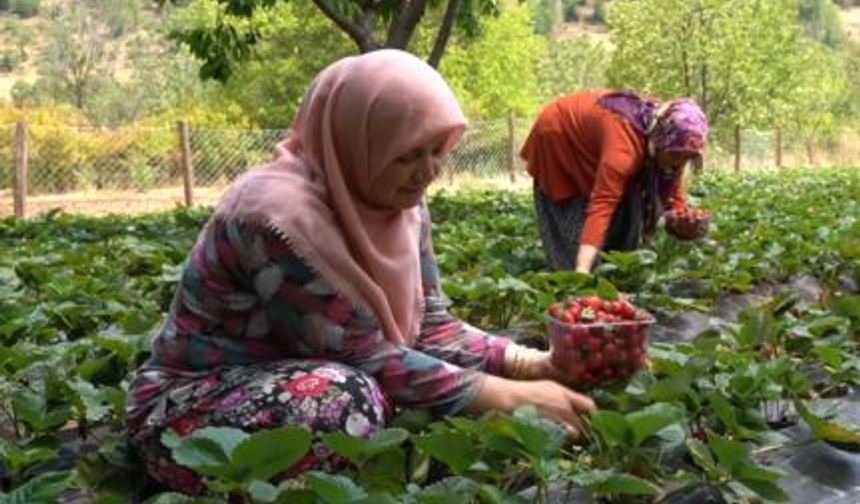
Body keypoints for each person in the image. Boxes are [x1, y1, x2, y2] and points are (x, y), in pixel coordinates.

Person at [126, 49, 595, 495]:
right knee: (344, 400)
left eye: (438, 149)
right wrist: (510, 397)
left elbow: (431, 324)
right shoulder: (274, 219)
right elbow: (361, 354)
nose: (427, 171)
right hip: (193, 412)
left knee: (389, 395)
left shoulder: (399, 202)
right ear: (355, 140)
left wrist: (535, 363)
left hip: (313, 375)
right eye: (408, 154)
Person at [520, 90, 710, 273]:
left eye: (688, 157)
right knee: (571, 226)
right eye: (677, 156)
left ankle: (612, 268)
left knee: (628, 211)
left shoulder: (664, 132)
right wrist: (582, 270)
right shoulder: (624, 149)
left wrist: (679, 216)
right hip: (557, 135)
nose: (680, 163)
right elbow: (602, 204)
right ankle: (576, 272)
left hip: (597, 141)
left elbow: (671, 189)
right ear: (661, 140)